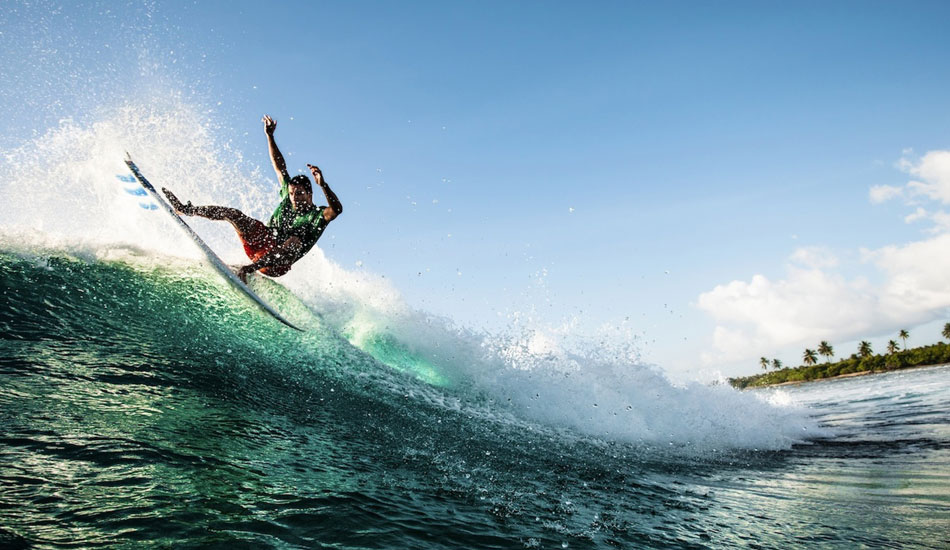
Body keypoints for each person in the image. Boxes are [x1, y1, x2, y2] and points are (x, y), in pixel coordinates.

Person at [162, 115, 342, 283]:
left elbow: (336, 210)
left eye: (300, 194)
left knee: (294, 242)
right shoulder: (288, 197)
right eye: (293, 193)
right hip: (262, 242)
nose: (294, 197)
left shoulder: (317, 215)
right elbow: (279, 167)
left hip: (276, 265)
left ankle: (250, 269)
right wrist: (270, 136)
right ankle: (186, 210)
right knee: (233, 214)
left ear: (310, 194)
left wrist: (323, 185)